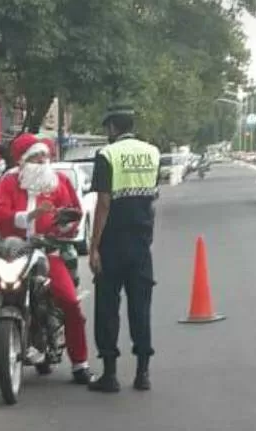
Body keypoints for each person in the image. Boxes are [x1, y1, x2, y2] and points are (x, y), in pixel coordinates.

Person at [0, 133, 93, 387]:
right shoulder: (8, 182)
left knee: (70, 302)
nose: (41, 161)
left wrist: (63, 228)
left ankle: (80, 364)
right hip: (11, 252)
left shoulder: (59, 182)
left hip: (47, 253)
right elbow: (1, 215)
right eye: (36, 157)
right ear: (23, 161)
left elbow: (74, 214)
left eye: (45, 156)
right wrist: (31, 215)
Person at [87, 104, 161, 393]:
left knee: (107, 308)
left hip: (113, 244)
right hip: (141, 244)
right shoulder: (152, 153)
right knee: (140, 308)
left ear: (113, 128)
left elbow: (104, 204)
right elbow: (151, 200)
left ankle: (110, 374)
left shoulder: (107, 155)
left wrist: (94, 248)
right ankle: (143, 373)